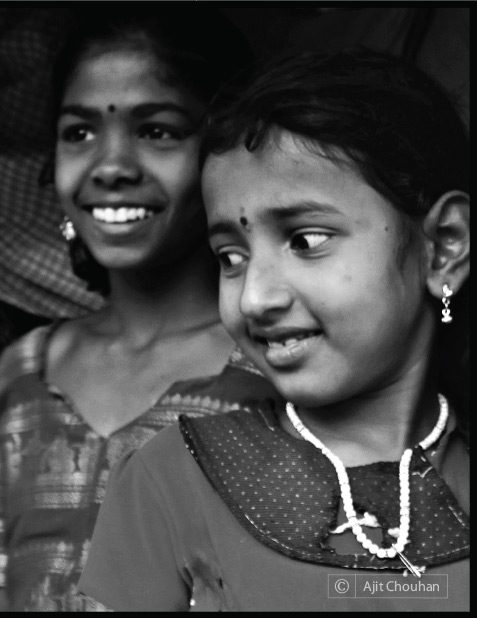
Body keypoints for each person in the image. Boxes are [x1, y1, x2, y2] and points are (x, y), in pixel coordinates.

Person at [79, 49, 470, 611]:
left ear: (444, 247)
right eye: (230, 256)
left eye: (305, 241)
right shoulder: (170, 483)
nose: (256, 297)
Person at [0, 9, 266, 611]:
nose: (110, 167)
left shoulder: (271, 370)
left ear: (224, 152)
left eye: (157, 131)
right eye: (79, 133)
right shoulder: (24, 371)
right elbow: (2, 593)